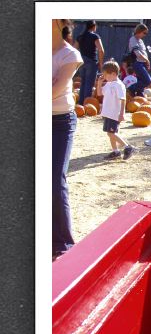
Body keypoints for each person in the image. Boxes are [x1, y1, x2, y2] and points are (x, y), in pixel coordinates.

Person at [52, 19, 83, 260]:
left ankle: (63, 245)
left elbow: (53, 91)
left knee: (54, 179)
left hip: (59, 122)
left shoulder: (70, 54)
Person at [95, 60, 136, 161]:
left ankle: (128, 147)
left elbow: (123, 99)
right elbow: (99, 94)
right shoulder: (109, 83)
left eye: (105, 75)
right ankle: (115, 151)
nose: (104, 77)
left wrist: (122, 114)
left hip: (115, 114)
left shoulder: (119, 85)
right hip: (108, 113)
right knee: (110, 133)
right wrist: (99, 84)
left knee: (112, 133)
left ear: (113, 74)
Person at [75, 20, 104, 106]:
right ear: (94, 27)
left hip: (81, 61)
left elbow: (74, 50)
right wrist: (101, 63)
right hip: (91, 61)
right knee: (89, 84)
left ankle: (80, 103)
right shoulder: (95, 36)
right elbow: (101, 50)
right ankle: (86, 105)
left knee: (83, 82)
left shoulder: (80, 37)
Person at [127, 23, 151, 98]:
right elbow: (137, 53)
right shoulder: (133, 39)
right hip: (137, 63)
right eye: (144, 33)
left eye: (146, 33)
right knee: (148, 81)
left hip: (142, 63)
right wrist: (147, 60)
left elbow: (143, 52)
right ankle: (130, 88)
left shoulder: (141, 41)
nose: (145, 35)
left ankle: (139, 95)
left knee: (140, 80)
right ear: (139, 31)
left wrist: (146, 62)